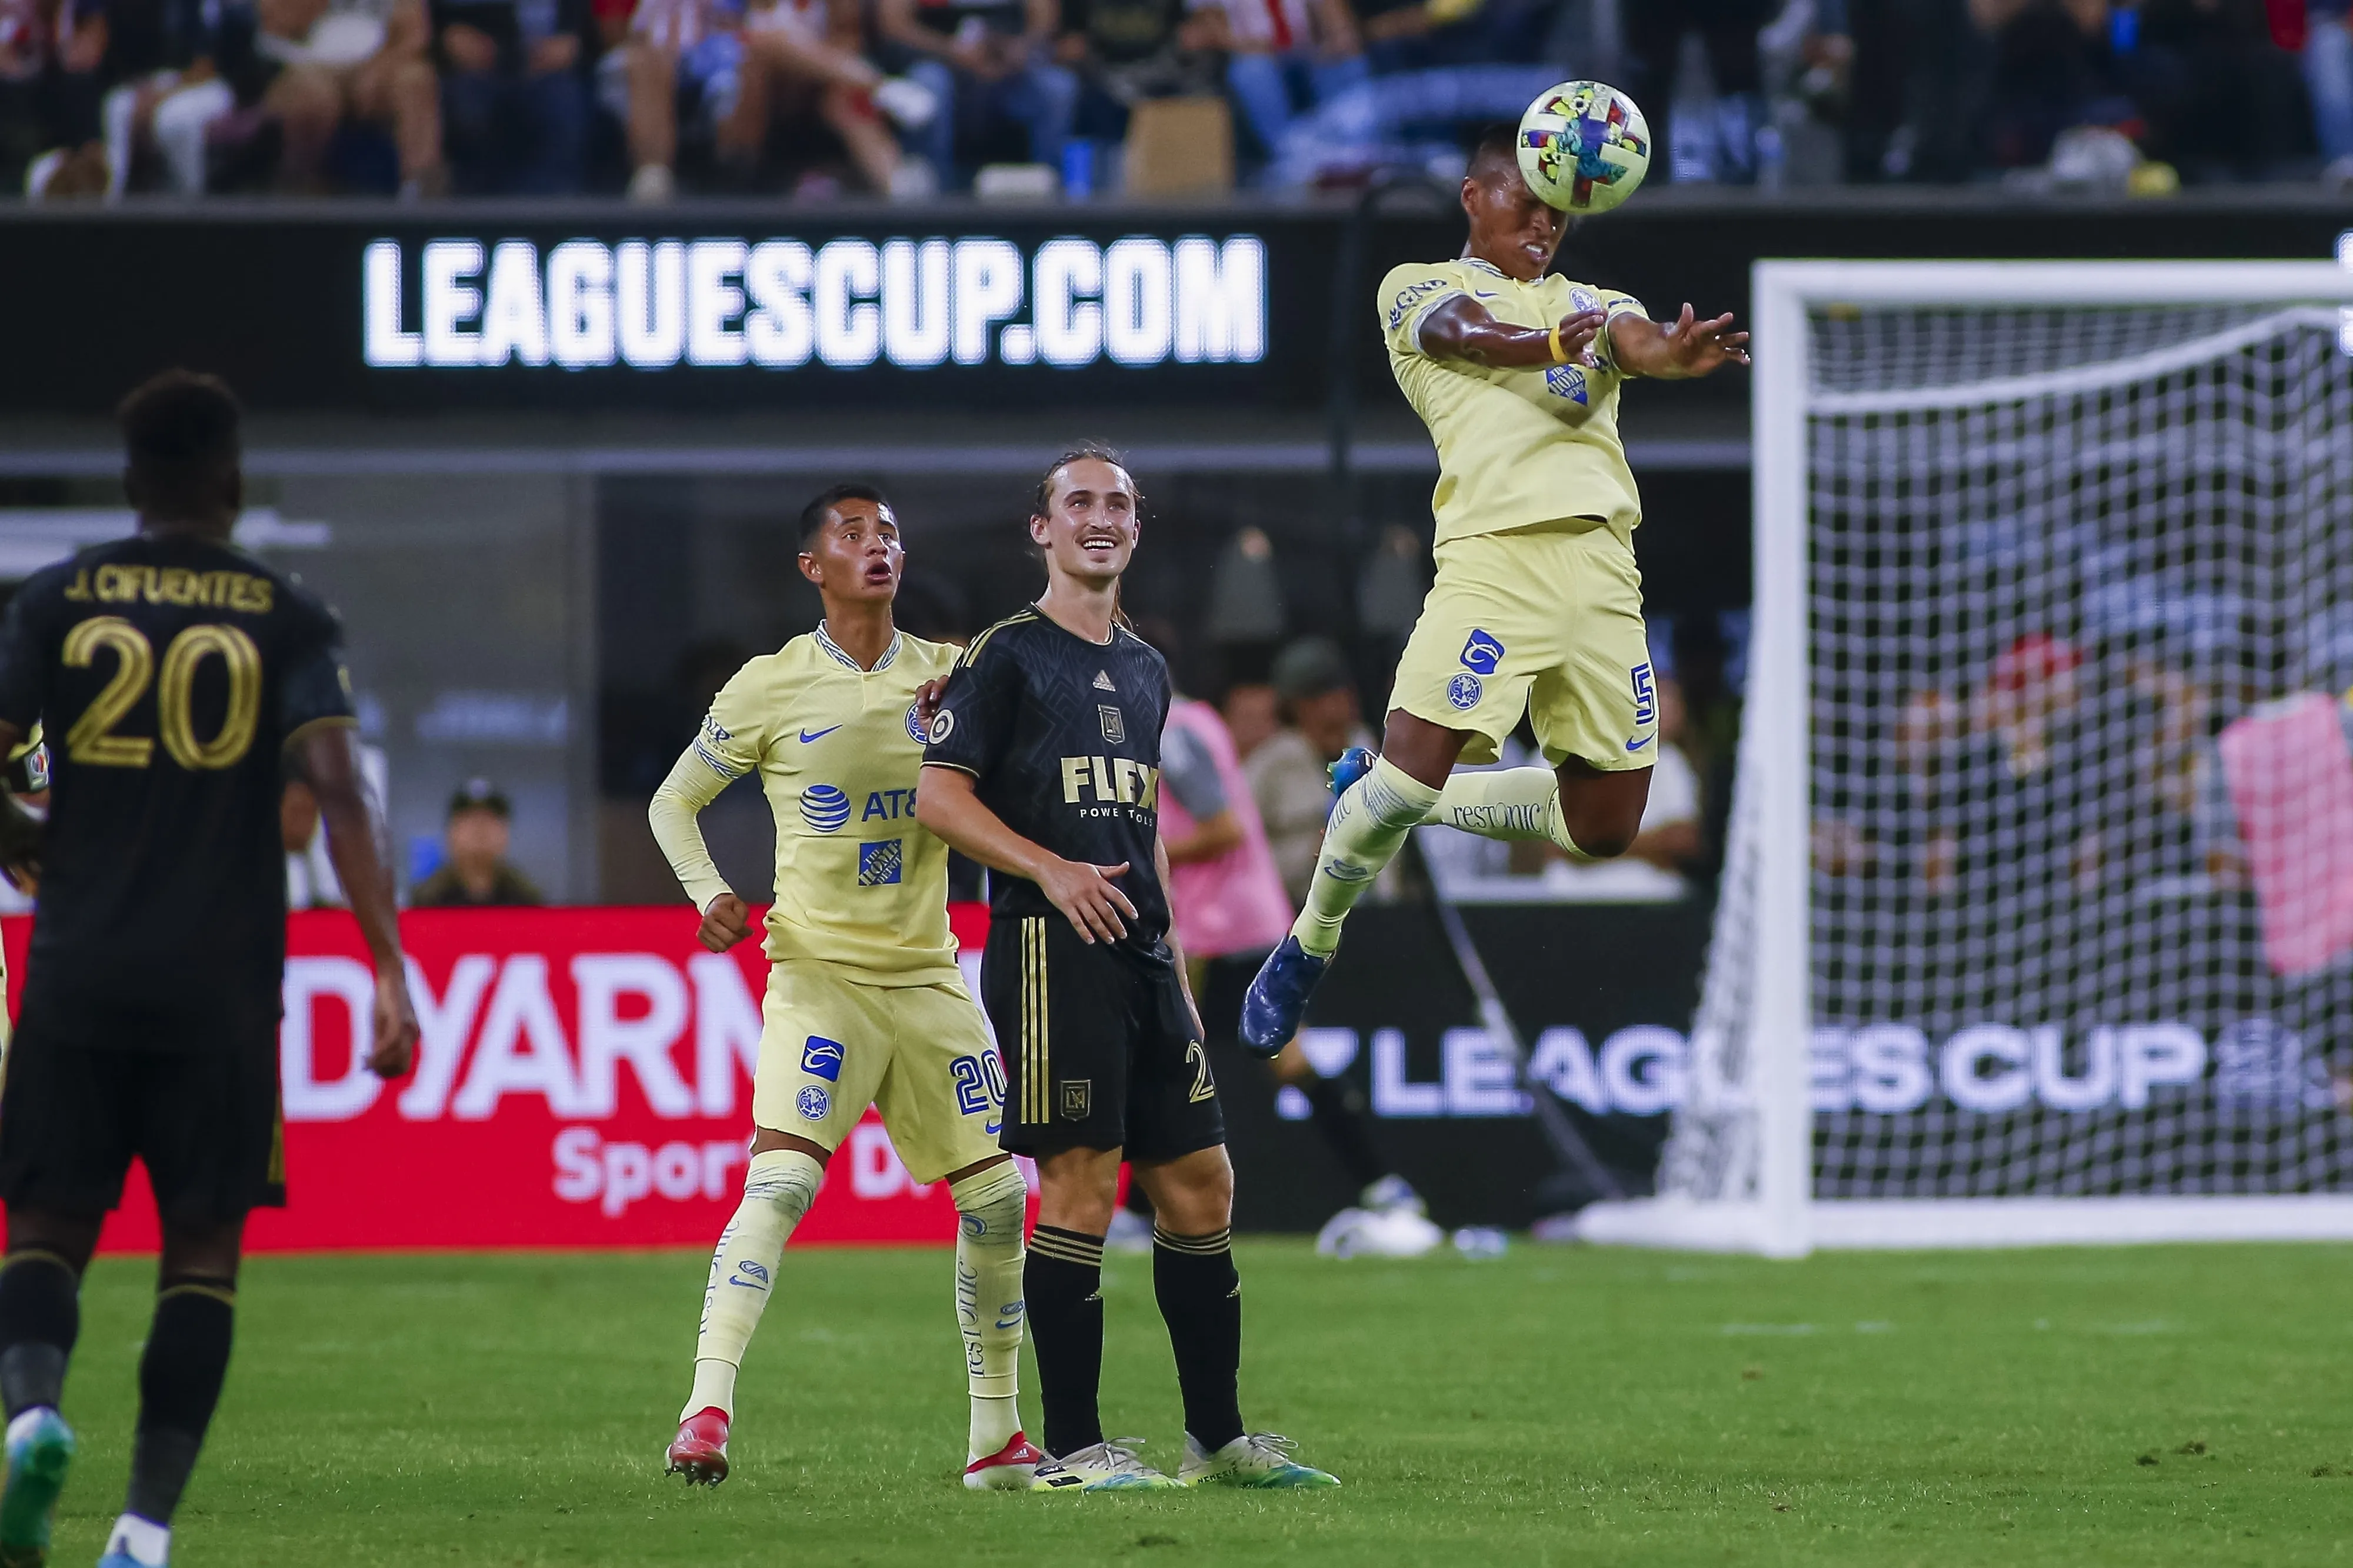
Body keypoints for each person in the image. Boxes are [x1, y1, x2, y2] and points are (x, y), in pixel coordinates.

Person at [0, 369, 418, 1568]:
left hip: (77, 969)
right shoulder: (283, 612)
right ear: (231, 485)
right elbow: (340, 793)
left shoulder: (56, 599)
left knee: (45, 1228)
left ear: (133, 486)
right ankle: (139, 1531)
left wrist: (23, 838)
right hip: (223, 988)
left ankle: (32, 1414)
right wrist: (387, 965)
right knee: (201, 1254)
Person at [1241, 121, 1748, 1053]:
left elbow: (1633, 341)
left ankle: (1400, 795)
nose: (1545, 224)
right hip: (1493, 561)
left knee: (1604, 827)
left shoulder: (1594, 300)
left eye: (1559, 212)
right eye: (1527, 201)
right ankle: (1309, 942)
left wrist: (1674, 355)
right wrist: (1561, 336)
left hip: (1602, 571)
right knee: (1402, 774)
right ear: (1475, 198)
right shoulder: (1423, 287)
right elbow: (1469, 338)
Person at [916, 447, 1338, 1492]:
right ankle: (1072, 1447)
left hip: (1145, 954)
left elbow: (1142, 823)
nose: (1101, 518)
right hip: (1050, 949)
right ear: (1041, 530)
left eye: (1118, 504)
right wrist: (1050, 869)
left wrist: (1178, 959)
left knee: (1202, 1183)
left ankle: (1218, 1441)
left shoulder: (1147, 668)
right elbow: (940, 797)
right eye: (1079, 503)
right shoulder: (1006, 654)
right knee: (1080, 1185)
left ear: (1136, 530)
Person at [646, 483, 1038, 1492]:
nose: (878, 546)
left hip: (928, 976)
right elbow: (673, 803)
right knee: (780, 1181)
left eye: (890, 533)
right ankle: (705, 1408)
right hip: (818, 975)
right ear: (811, 567)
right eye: (852, 534)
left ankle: (996, 1441)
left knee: (997, 1199)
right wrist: (709, 895)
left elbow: (1026, 762)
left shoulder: (951, 676)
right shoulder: (768, 685)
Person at [1110, 672, 1435, 1256]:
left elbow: (1222, 827)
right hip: (1244, 919)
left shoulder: (1174, 730)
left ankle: (1136, 1212)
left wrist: (1128, 853)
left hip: (1220, 925)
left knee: (1167, 1057)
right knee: (1272, 1061)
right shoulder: (1190, 722)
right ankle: (1383, 1183)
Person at [875, 0, 1074, 191]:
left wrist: (1019, 48)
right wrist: (950, 50)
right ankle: (934, 199)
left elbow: (1046, 17)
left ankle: (1049, 193)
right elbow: (894, 23)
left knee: (1057, 87)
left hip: (1008, 69)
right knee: (930, 84)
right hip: (941, 63)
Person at [408, 779, 545, 908]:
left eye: (490, 820)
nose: (480, 830)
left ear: (506, 833)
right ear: (451, 833)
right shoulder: (427, 900)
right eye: (469, 820)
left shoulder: (527, 899)